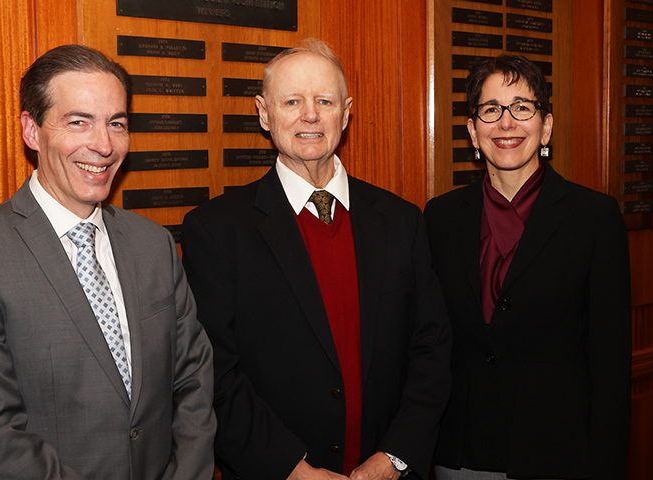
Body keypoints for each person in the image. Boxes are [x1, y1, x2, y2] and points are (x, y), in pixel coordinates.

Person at [0, 44, 216, 480]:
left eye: (116, 123)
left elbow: (193, 379)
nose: (102, 144)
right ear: (32, 130)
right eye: (78, 121)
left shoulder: (153, 244)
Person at [181, 38, 452, 480]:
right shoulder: (217, 230)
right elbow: (214, 373)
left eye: (324, 101)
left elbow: (432, 349)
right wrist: (293, 470)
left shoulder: (402, 221)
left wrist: (395, 457)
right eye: (292, 101)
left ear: (345, 113)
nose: (310, 115)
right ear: (264, 113)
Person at [424, 54, 631, 480]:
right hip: (461, 449)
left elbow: (611, 366)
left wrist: (605, 466)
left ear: (546, 126)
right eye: (491, 110)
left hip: (557, 447)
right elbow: (426, 339)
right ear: (472, 131)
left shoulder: (593, 217)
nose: (506, 122)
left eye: (522, 107)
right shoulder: (440, 218)